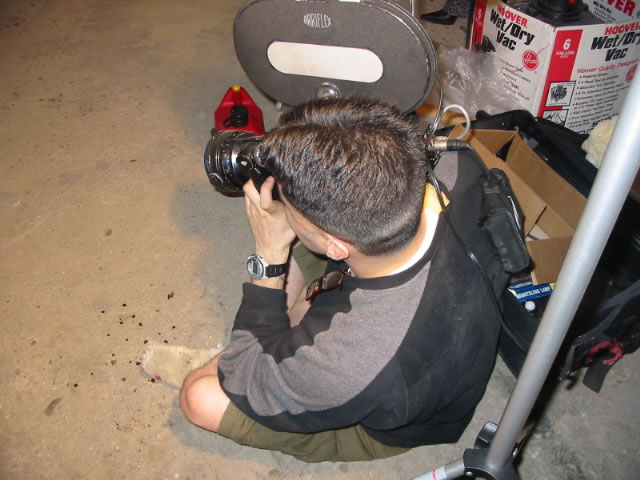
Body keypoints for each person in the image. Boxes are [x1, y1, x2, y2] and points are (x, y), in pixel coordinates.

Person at [179, 97, 509, 463]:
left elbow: (243, 371)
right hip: (430, 309)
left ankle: (285, 349)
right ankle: (290, 334)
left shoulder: (349, 365)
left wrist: (269, 255)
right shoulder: (458, 165)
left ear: (336, 248)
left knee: (200, 395)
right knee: (298, 221)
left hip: (394, 417)